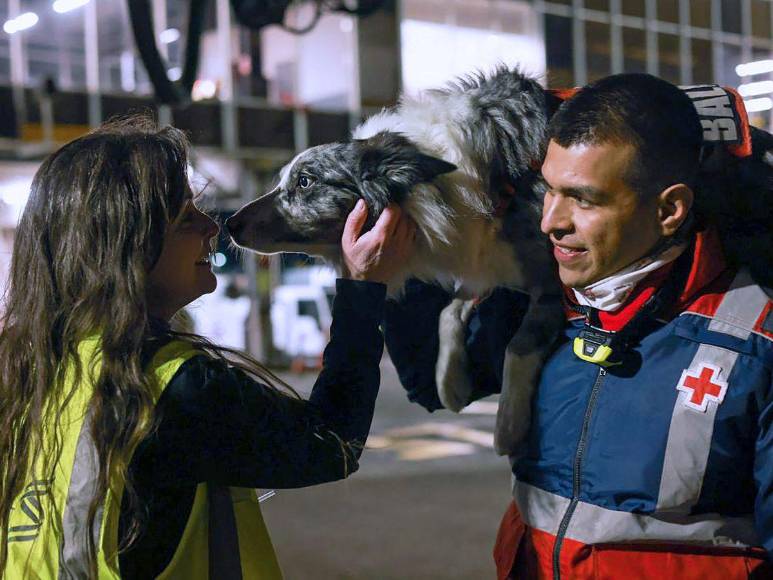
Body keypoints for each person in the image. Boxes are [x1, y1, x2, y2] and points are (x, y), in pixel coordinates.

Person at [384, 73, 773, 578]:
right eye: (548, 191)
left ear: (670, 209)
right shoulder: (535, 309)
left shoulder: (757, 342)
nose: (551, 221)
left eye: (583, 198)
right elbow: (427, 386)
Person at [0, 115, 415, 579]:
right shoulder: (174, 387)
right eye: (184, 217)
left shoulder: (29, 368)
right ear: (128, 247)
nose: (210, 227)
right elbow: (333, 444)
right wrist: (362, 289)